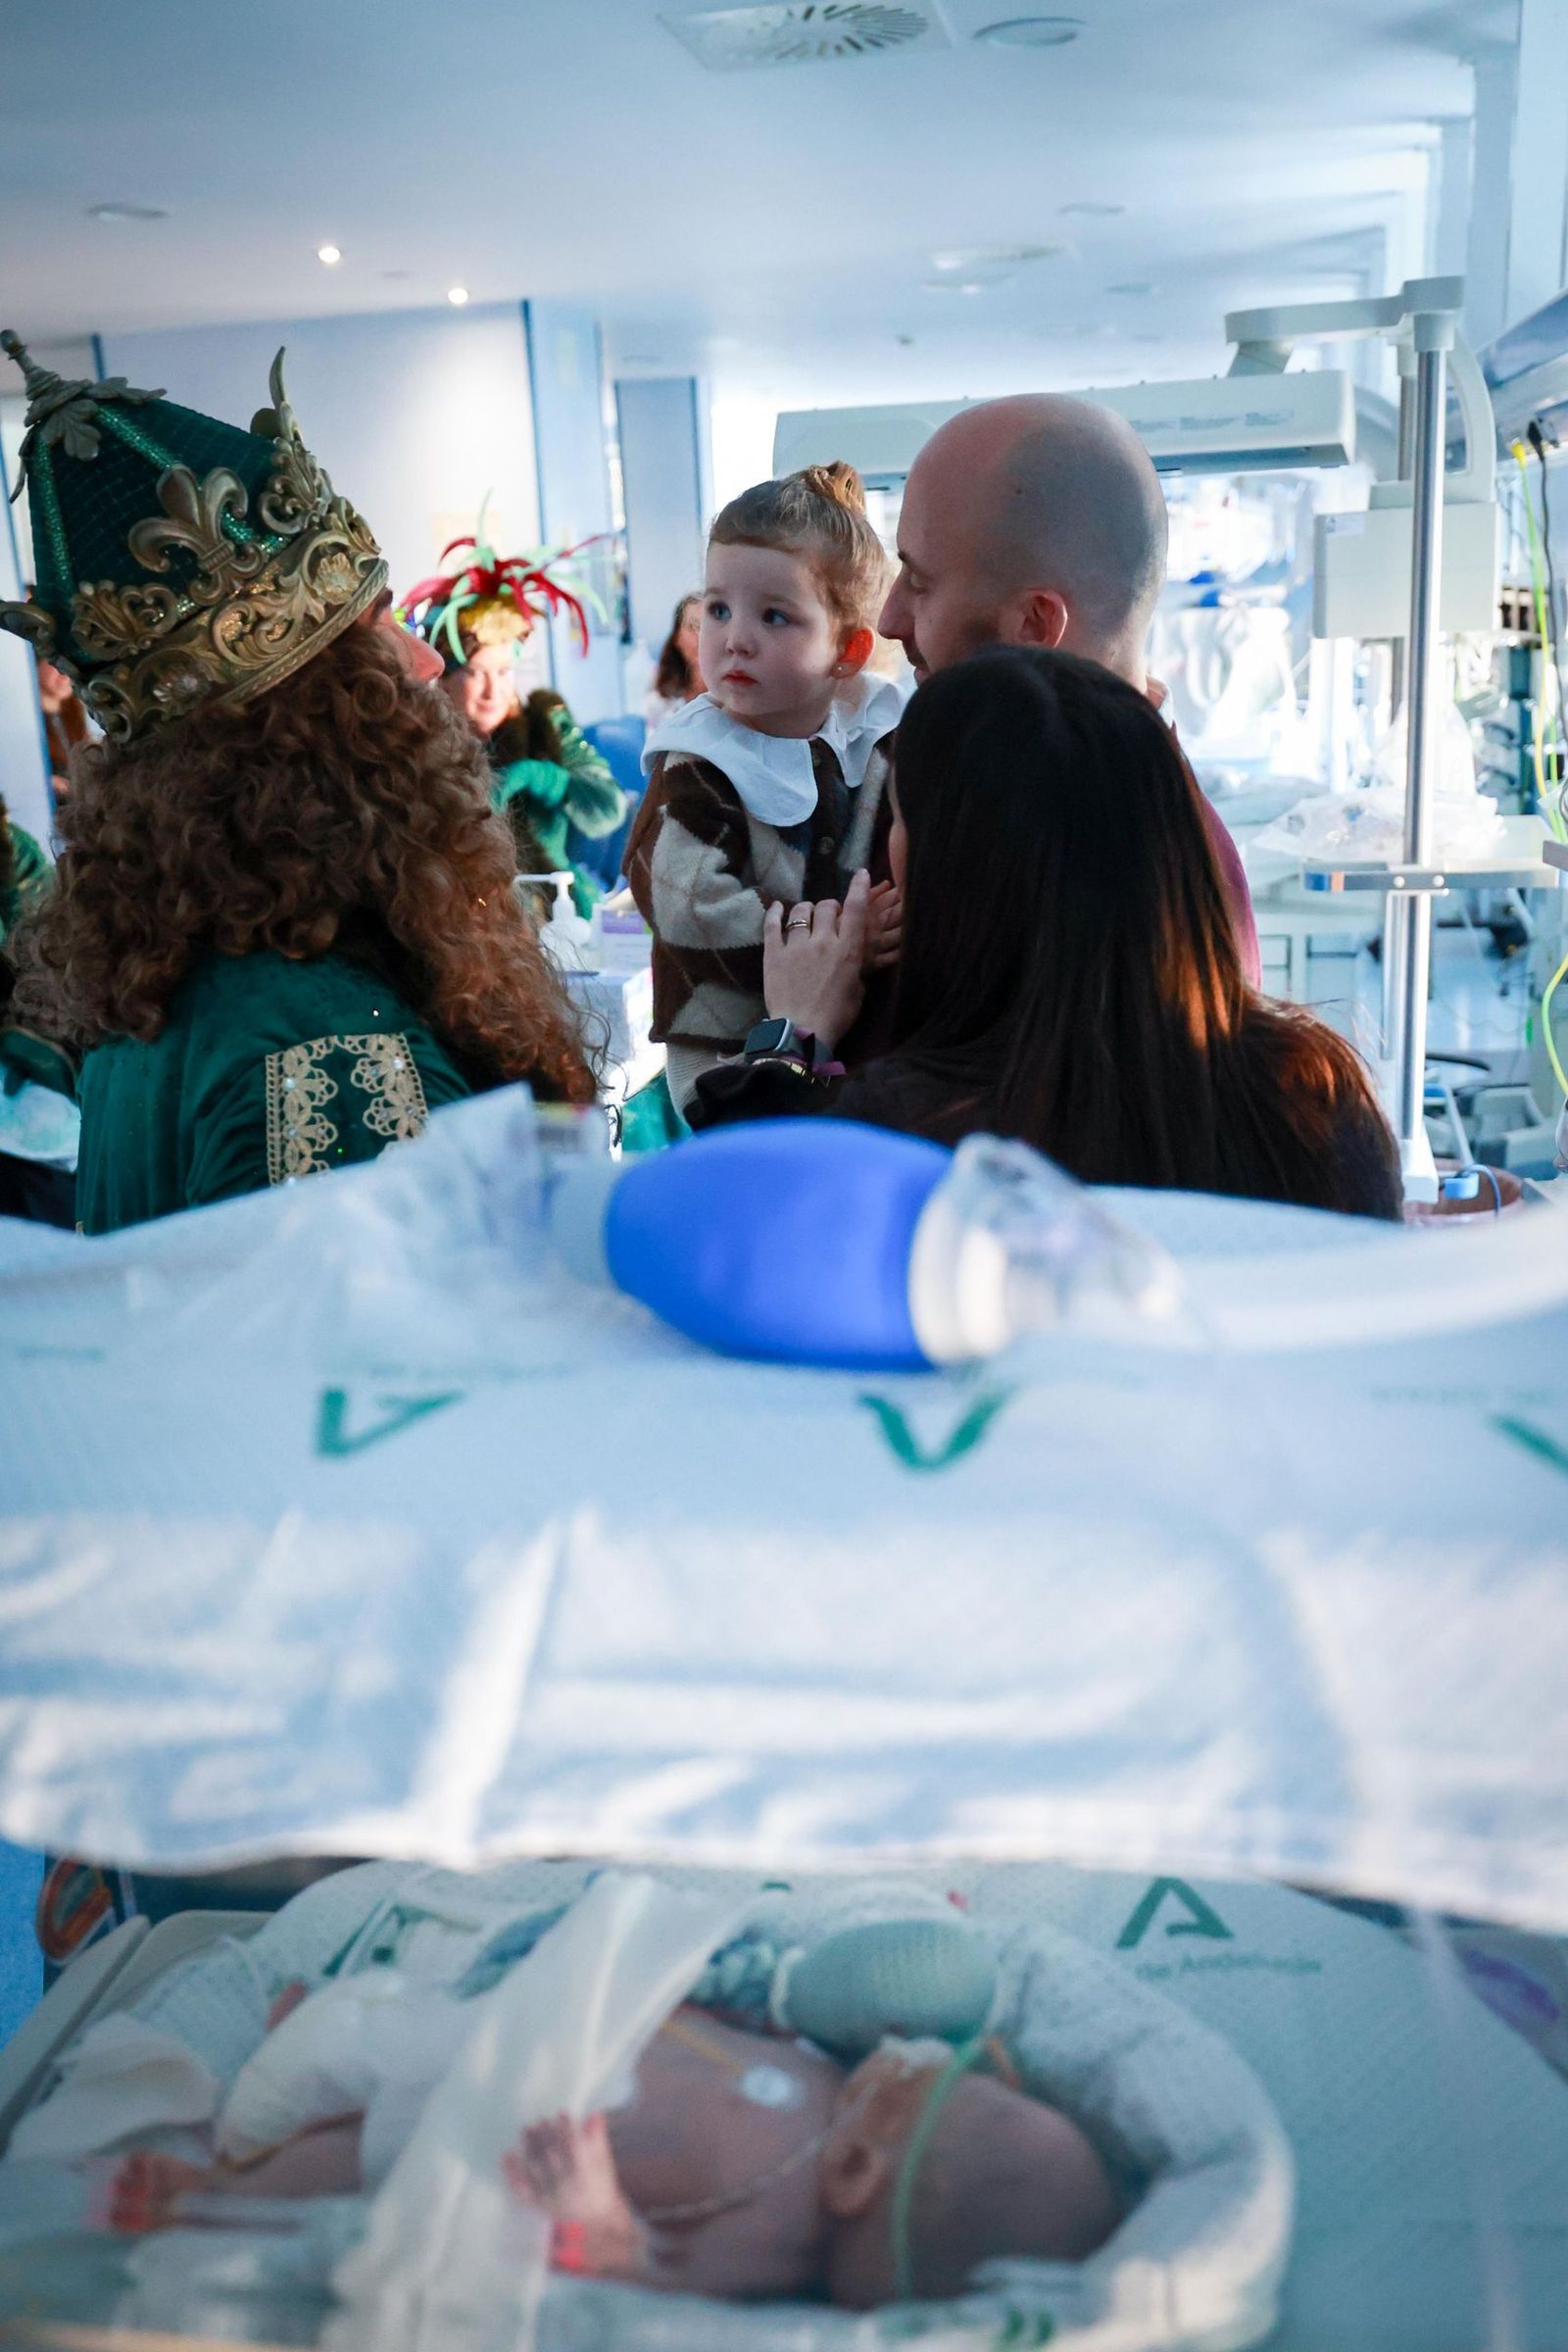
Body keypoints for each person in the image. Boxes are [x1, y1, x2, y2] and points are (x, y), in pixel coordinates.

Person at [0, 331, 595, 1237]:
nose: (428, 659)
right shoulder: (329, 1055)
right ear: (325, 724)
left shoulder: (162, 979)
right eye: (385, 625)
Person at [691, 648, 1401, 1222]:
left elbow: (725, 1224)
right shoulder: (1320, 1102)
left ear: (957, 876)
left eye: (901, 820)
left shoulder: (910, 1139)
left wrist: (791, 1036)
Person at [107, 2000, 1117, 2307]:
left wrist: (595, 2219)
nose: (902, 2067)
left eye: (920, 2092)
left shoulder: (774, 2242)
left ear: (860, 2173)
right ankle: (339, 2020)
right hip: (539, 2033)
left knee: (352, 2159)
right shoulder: (832, 2081)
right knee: (393, 2034)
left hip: (499, 2140)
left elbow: (651, 2275)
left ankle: (217, 2192)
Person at [878, 393, 1261, 986]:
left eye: (921, 582)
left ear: (1034, 626)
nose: (889, 619)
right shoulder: (1047, 820)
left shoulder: (1123, 893)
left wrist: (791, 1041)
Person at [623, 463, 906, 1110]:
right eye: (717, 609)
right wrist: (839, 941)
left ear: (849, 650)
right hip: (727, 1047)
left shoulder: (868, 733)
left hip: (850, 1038)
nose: (735, 640)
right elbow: (683, 898)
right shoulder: (698, 758)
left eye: (774, 617)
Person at [402, 518, 625, 914]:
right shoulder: (422, 744)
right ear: (447, 678)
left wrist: (544, 777)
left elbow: (608, 809)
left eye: (504, 672)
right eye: (476, 674)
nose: (494, 691)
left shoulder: (546, 725)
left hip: (552, 912)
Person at [641, 589, 705, 725]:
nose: (700, 636)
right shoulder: (661, 702)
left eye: (707, 627)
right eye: (693, 627)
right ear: (677, 638)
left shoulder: (737, 699)